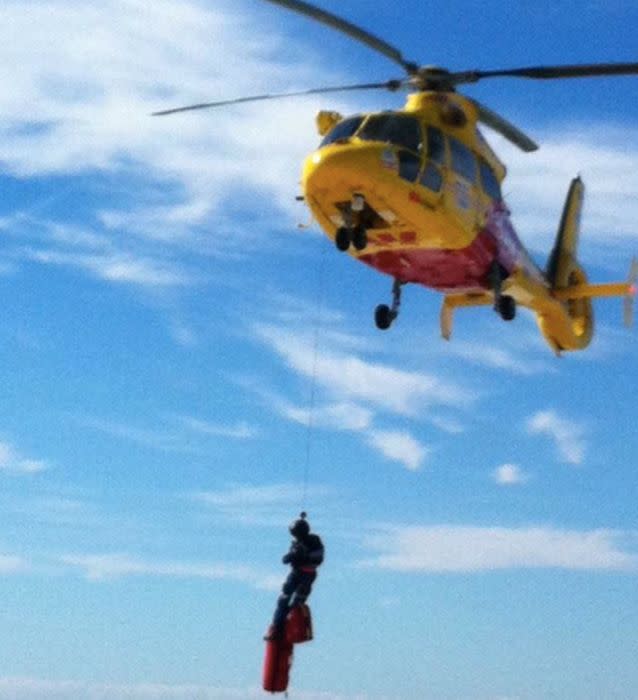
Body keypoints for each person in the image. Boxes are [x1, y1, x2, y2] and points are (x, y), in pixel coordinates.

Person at [265, 512, 324, 641]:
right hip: (296, 573)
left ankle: (291, 626)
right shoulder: (296, 544)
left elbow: (318, 557)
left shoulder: (314, 542)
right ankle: (277, 627)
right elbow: (291, 555)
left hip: (307, 574)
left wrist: (303, 557)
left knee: (298, 602)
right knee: (284, 599)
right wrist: (289, 557)